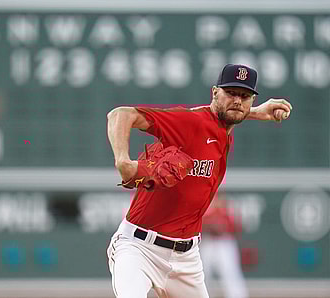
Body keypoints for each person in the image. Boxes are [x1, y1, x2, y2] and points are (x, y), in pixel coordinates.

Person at [106, 63, 292, 298]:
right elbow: (120, 114)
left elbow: (227, 116)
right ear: (215, 92)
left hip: (187, 259)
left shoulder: (224, 130)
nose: (237, 100)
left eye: (245, 96)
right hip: (139, 248)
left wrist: (255, 112)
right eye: (231, 93)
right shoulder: (190, 123)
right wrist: (123, 161)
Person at [201, 193, 249, 298]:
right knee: (202, 275)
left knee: (230, 273)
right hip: (208, 242)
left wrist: (223, 227)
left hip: (225, 242)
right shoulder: (206, 208)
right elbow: (199, 226)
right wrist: (211, 226)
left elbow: (237, 228)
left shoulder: (229, 209)